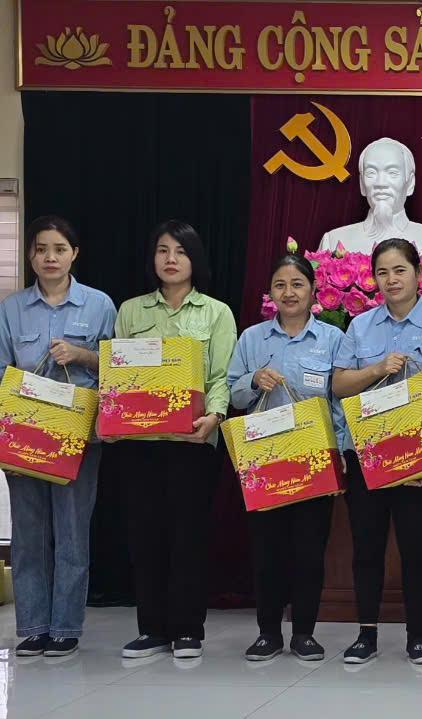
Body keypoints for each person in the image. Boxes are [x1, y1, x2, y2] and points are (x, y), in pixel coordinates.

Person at [117, 220, 237, 660]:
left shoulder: (216, 312)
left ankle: (188, 629)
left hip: (193, 439)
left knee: (189, 536)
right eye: (163, 250)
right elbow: (121, 374)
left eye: (180, 252)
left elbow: (221, 374)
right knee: (145, 534)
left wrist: (215, 416)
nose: (171, 259)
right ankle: (151, 627)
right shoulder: (131, 312)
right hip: (142, 442)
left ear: (194, 259)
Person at [331, 238, 422, 665]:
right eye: (382, 272)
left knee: (418, 548)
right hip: (366, 452)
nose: (391, 279)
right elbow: (339, 385)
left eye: (399, 270)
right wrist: (377, 369)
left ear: (419, 274)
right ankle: (366, 634)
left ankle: (417, 635)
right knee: (367, 548)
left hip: (417, 457)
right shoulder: (360, 326)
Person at [1, 216, 115, 658]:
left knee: (71, 532)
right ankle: (32, 626)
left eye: (59, 249)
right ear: (30, 254)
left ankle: (65, 627)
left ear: (74, 254)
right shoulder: (10, 309)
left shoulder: (100, 305)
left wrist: (82, 354)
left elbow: (119, 370)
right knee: (29, 532)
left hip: (77, 435)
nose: (50, 257)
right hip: (25, 430)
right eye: (41, 249)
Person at [227, 254, 347, 662]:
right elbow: (232, 394)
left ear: (313, 290)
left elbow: (341, 402)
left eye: (297, 283)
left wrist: (343, 450)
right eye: (280, 284)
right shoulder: (252, 339)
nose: (289, 292)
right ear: (270, 293)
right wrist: (252, 379)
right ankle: (267, 633)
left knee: (309, 549)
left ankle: (305, 634)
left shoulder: (333, 339)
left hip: (314, 456)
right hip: (265, 457)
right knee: (267, 549)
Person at [318, 138, 422, 255]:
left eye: (392, 173)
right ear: (362, 184)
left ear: (410, 183)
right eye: (371, 173)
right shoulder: (334, 241)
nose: (380, 183)